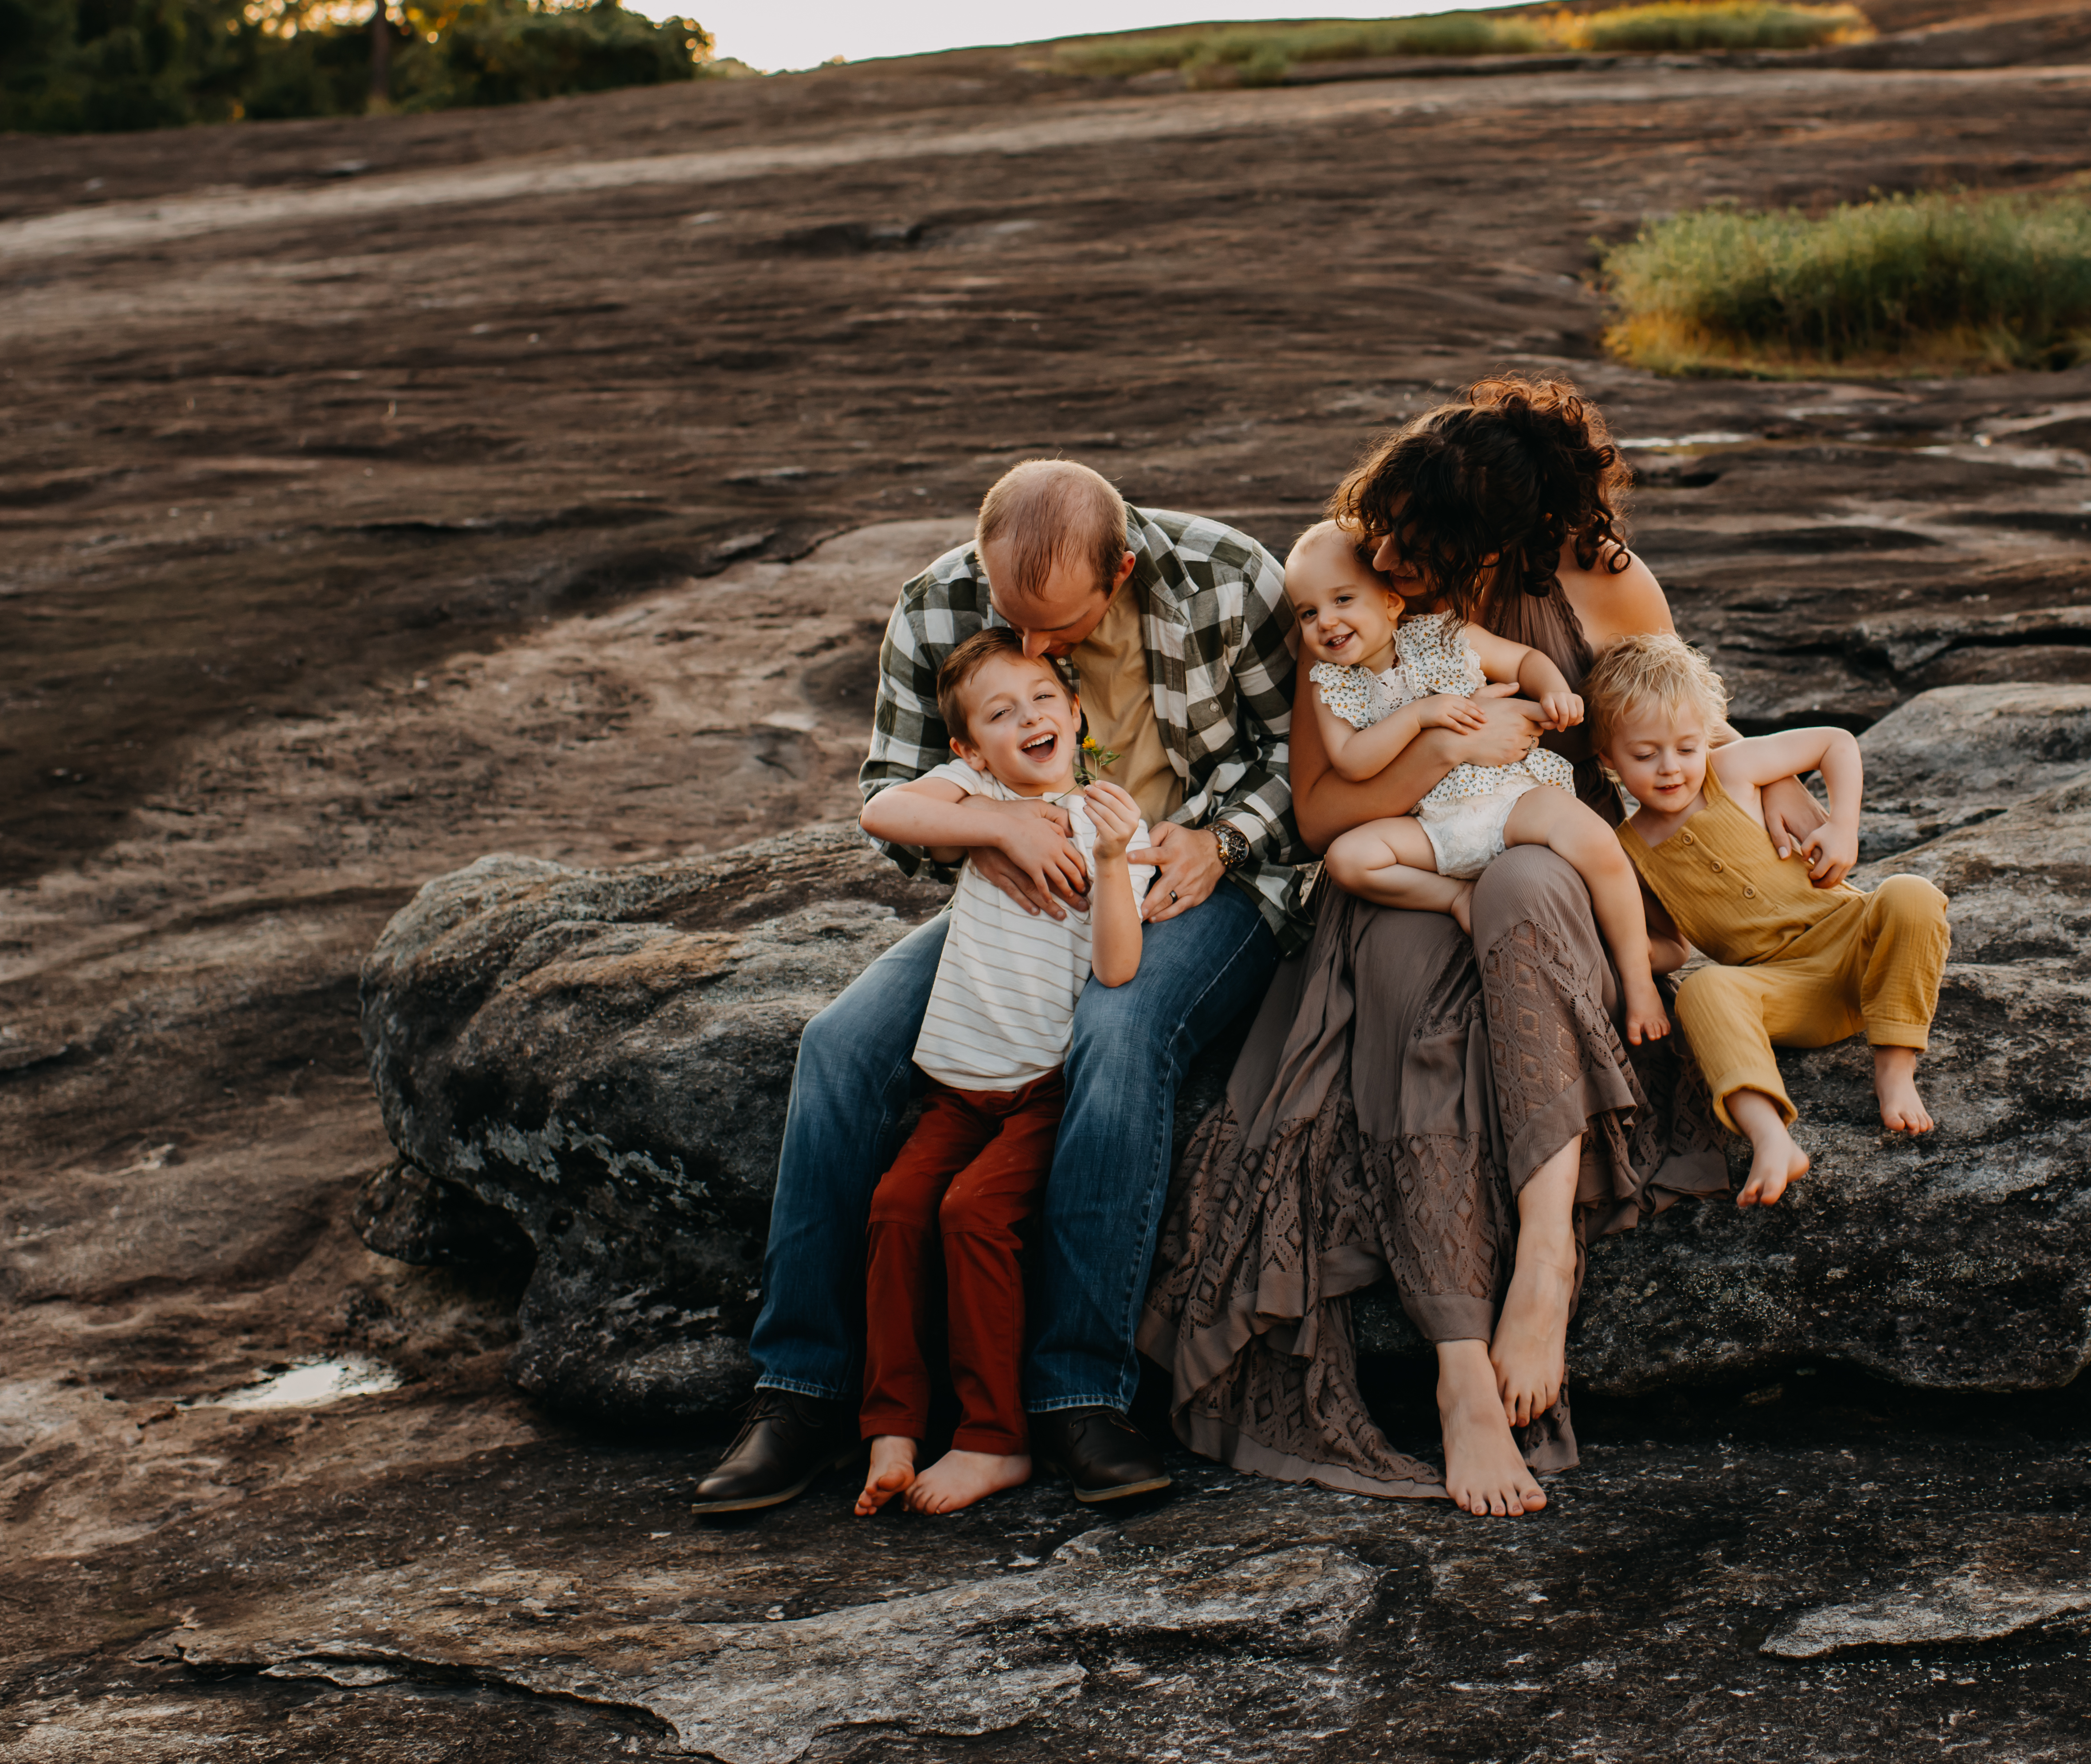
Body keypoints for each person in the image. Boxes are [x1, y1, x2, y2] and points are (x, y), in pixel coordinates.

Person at [1144, 376, 1822, 1517]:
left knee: (1521, 884)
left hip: (1546, 847)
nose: (1395, 554)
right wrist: (1459, 739)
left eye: (1422, 539)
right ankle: (1462, 1368)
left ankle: (1545, 1258)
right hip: (1405, 863)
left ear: (1495, 534)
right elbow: (1321, 816)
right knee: (1410, 999)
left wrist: (1779, 778)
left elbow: (1674, 710)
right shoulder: (1354, 598)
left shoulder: (1599, 582)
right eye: (1391, 528)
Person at [694, 461, 1298, 1515]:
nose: (1038, 651)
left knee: (1119, 1028)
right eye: (1017, 623)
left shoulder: (1230, 576)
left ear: (1119, 569)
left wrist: (1222, 839)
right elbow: (891, 788)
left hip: (1194, 876)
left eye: (1060, 632)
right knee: (839, 1042)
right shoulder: (940, 600)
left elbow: (1303, 750)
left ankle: (1074, 1397)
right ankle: (800, 1389)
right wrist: (997, 827)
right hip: (1022, 884)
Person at [852, 631, 1152, 1514]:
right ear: (969, 748)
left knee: (973, 1212)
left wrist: (1107, 861)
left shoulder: (1108, 819)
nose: (1029, 718)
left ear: (1076, 713)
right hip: (959, 1085)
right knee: (897, 1207)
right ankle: (892, 1422)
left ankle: (994, 1437)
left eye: (1043, 699)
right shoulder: (974, 793)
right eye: (1000, 712)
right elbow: (884, 813)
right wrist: (999, 822)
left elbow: (1119, 969)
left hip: (1041, 1092)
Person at [1591, 633, 1949, 1209]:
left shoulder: (1731, 771)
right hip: (1786, 993)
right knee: (1702, 988)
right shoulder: (1626, 853)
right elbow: (1673, 948)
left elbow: (1835, 743)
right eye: (1644, 754)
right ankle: (1770, 1136)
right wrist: (1616, 953)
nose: (1670, 769)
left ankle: (1894, 1065)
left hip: (1862, 952)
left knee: (1913, 894)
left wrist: (1843, 827)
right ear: (1607, 757)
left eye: (1686, 748)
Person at [1284, 519, 1668, 1046]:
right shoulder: (1331, 683)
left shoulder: (1446, 635)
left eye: (1344, 600)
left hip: (1506, 799)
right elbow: (1352, 761)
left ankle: (1640, 979)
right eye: (1308, 613)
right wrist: (1421, 716)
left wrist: (1554, 690)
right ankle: (1453, 899)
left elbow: (1526, 660)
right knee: (1349, 859)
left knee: (1597, 843)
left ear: (1393, 603)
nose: (1326, 621)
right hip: (1431, 826)